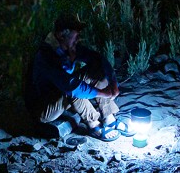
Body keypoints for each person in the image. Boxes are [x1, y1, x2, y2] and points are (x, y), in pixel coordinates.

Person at [24, 13, 131, 141]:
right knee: (74, 90)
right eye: (75, 36)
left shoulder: (68, 48)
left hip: (58, 91)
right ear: (61, 35)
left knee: (97, 69)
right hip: (43, 107)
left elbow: (98, 59)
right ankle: (93, 124)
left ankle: (108, 117)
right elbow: (70, 86)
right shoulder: (46, 55)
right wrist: (102, 93)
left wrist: (113, 83)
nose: (78, 39)